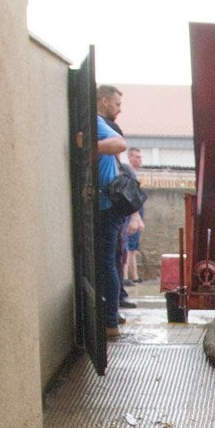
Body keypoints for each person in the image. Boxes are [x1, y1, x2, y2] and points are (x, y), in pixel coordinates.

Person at [95, 84, 128, 339]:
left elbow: (119, 144)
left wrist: (88, 147)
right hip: (111, 205)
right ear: (104, 101)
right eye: (116, 104)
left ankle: (109, 322)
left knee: (107, 262)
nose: (119, 109)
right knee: (111, 262)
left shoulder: (96, 122)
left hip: (106, 206)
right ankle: (112, 316)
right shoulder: (100, 122)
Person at [120, 147, 145, 305]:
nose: (140, 160)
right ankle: (126, 278)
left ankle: (132, 277)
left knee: (132, 248)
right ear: (129, 158)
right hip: (131, 215)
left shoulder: (132, 173)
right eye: (137, 157)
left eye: (140, 157)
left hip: (135, 214)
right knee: (126, 247)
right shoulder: (126, 171)